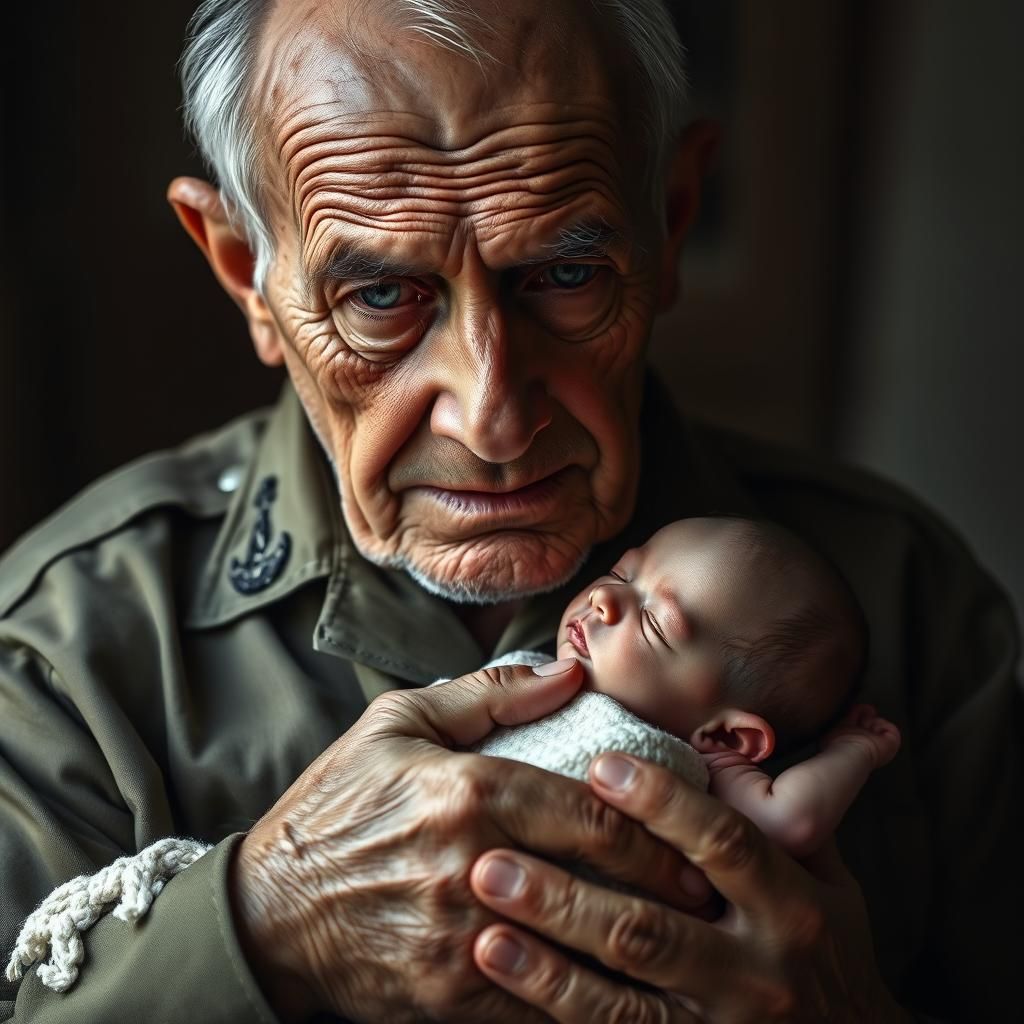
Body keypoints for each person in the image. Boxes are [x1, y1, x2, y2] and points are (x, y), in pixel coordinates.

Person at [0, 0, 1020, 1021]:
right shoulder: (61, 660)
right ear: (247, 275)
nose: (489, 417)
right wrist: (265, 923)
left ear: (671, 220)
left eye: (565, 275)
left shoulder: (910, 607)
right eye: (381, 297)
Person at [465, 516, 901, 860]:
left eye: (654, 624)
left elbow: (791, 821)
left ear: (725, 735)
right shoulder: (519, 674)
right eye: (621, 574)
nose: (604, 597)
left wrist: (855, 751)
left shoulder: (706, 769)